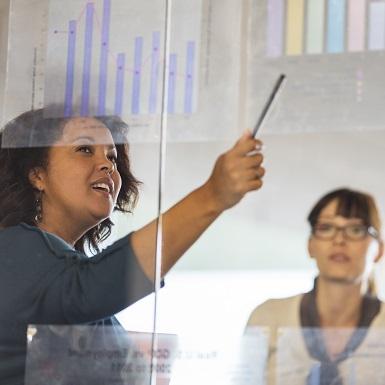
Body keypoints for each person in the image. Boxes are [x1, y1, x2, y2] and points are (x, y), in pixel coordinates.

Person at [0, 108, 264, 384]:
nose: (107, 165)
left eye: (111, 156)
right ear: (37, 175)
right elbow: (89, 289)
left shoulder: (64, 275)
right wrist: (212, 196)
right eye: (84, 150)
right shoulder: (11, 248)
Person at [246, 188, 385, 385]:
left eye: (355, 229)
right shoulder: (268, 317)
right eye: (326, 228)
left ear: (379, 249)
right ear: (310, 245)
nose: (339, 240)